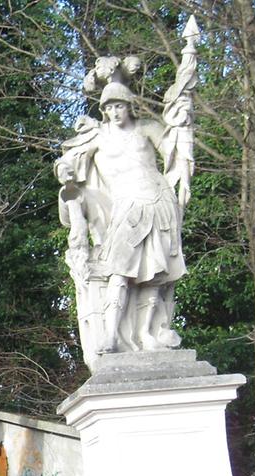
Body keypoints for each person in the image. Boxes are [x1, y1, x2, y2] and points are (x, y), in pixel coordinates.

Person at [56, 82, 186, 356]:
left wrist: (182, 118)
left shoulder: (147, 128)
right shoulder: (97, 136)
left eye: (120, 106)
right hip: (126, 208)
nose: (116, 112)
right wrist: (65, 172)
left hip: (159, 201)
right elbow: (66, 161)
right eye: (110, 107)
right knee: (119, 272)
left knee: (154, 274)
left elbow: (175, 150)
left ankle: (145, 334)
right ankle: (110, 335)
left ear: (129, 106)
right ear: (104, 110)